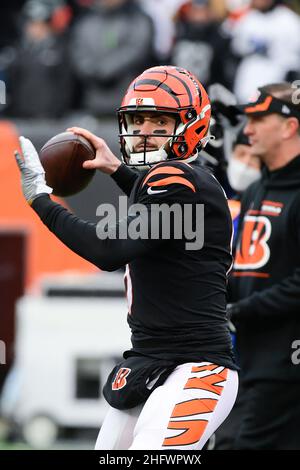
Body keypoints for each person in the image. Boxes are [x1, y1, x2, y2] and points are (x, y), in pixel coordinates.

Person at [14, 65, 238, 450]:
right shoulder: (179, 181)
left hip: (195, 368)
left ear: (192, 126)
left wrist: (40, 200)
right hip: (151, 362)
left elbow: (107, 249)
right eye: (139, 120)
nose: (145, 131)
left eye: (159, 121)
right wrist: (119, 171)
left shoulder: (176, 179)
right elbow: (160, 214)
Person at [227, 82, 300, 449]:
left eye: (259, 118)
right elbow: (240, 270)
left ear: (290, 127)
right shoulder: (256, 191)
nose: (248, 129)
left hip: (286, 364)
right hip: (249, 360)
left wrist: (240, 309)